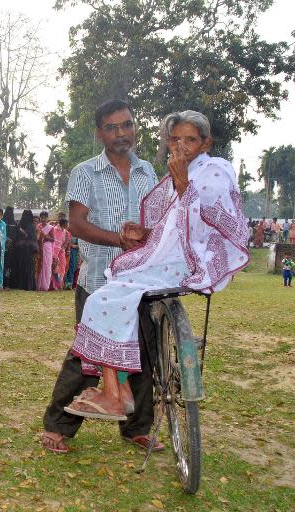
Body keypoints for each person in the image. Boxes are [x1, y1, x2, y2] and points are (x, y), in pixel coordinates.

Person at [63, 110, 249, 427]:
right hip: (138, 261)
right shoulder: (87, 172)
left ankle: (118, 398)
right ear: (100, 134)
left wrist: (181, 183)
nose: (181, 147)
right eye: (175, 139)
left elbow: (207, 224)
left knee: (110, 306)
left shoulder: (212, 172)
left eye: (190, 140)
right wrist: (145, 233)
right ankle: (109, 394)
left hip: (185, 263)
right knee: (110, 306)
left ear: (206, 144)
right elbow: (171, 225)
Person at [41, 99, 161, 454]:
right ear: (100, 133)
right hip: (98, 281)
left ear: (135, 128)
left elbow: (157, 219)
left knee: (143, 353)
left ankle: (136, 428)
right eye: (112, 127)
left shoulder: (148, 172)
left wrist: (145, 233)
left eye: (126, 125)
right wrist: (118, 240)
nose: (120, 133)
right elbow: (76, 224)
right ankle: (57, 427)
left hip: (142, 281)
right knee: (87, 359)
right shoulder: (86, 172)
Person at [11, 210, 37, 291]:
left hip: (21, 250)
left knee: (21, 267)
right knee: (28, 268)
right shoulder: (32, 226)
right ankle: (28, 286)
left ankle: (21, 285)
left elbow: (18, 237)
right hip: (28, 251)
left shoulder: (21, 225)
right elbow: (33, 239)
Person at [36, 212, 55, 291]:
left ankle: (45, 286)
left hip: (47, 247)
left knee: (46, 266)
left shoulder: (51, 227)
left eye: (45, 218)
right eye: (42, 217)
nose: (43, 219)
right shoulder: (38, 226)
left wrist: (44, 235)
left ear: (47, 218)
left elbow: (53, 239)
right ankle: (38, 285)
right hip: (39, 247)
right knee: (39, 265)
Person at [2, 207, 17, 288]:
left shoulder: (4, 222)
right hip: (6, 247)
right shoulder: (12, 223)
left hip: (8, 247)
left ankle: (5, 283)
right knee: (6, 265)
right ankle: (5, 283)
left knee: (6, 265)